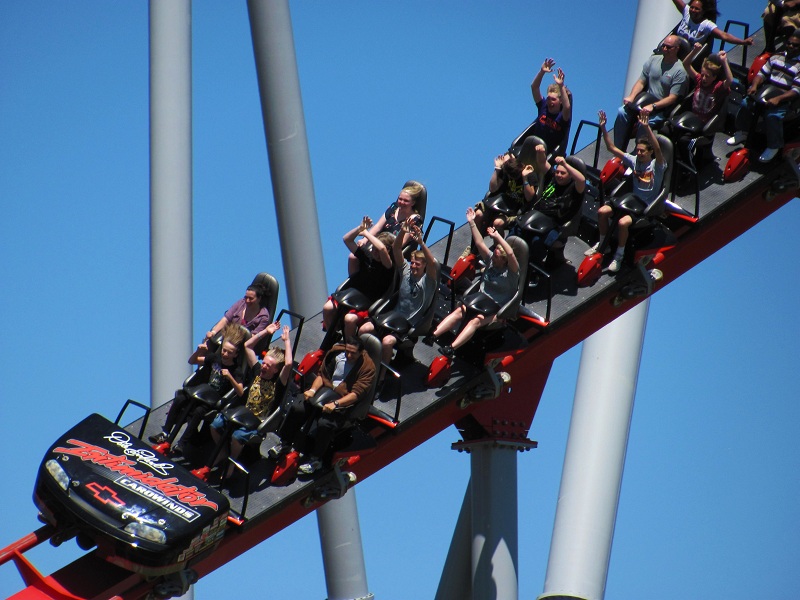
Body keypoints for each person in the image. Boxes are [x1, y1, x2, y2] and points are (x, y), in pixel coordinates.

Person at [277, 337, 376, 475]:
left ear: (361, 353)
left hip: (343, 401)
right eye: (348, 351)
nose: (349, 355)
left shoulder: (367, 368)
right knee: (298, 407)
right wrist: (312, 390)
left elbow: (355, 395)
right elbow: (322, 376)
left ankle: (316, 459)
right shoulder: (337, 354)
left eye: (353, 353)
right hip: (325, 391)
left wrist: (335, 404)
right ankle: (285, 443)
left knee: (325, 424)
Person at [207, 323, 293, 477]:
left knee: (237, 436)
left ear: (276, 369)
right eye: (264, 362)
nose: (264, 366)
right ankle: (222, 453)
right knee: (215, 424)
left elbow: (288, 364)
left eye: (269, 365)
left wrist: (286, 341)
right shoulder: (257, 371)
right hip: (241, 413)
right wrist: (266, 331)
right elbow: (248, 346)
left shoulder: (278, 383)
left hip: (256, 421)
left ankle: (231, 463)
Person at [149, 323, 247, 454]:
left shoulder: (236, 370)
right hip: (200, 392)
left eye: (229, 352)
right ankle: (165, 433)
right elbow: (192, 361)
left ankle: (182, 444)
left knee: (198, 412)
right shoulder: (215, 358)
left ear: (236, 354)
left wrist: (230, 377)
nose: (225, 354)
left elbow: (240, 391)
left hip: (212, 401)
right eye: (224, 350)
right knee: (180, 398)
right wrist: (199, 351)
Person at [589, 109, 667, 273]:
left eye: (642, 151)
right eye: (637, 150)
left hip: (643, 207)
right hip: (629, 201)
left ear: (650, 152)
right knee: (602, 211)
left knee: (623, 223)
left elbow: (659, 149)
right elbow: (611, 148)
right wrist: (603, 128)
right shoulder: (634, 161)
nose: (638, 153)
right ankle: (603, 244)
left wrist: (646, 128)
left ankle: (619, 255)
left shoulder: (657, 166)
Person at [435, 208, 520, 358]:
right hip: (480, 301)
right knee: (459, 311)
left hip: (497, 310)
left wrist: (498, 237)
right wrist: (472, 223)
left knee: (476, 321)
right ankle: (433, 335)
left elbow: (512, 253)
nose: (492, 257)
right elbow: (479, 242)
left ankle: (451, 348)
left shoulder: (512, 272)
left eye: (496, 257)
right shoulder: (490, 261)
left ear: (504, 260)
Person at [358, 220, 438, 368]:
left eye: (417, 264)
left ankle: (380, 376)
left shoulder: (428, 282)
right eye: (412, 263)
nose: (413, 266)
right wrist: (403, 231)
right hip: (392, 316)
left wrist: (421, 242)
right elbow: (396, 249)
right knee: (364, 329)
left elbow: (432, 263)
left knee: (387, 342)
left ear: (424, 266)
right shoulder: (406, 271)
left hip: (408, 323)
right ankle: (361, 362)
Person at [726, 29, 800, 162]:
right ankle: (743, 132)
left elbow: (796, 90)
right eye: (789, 43)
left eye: (795, 45)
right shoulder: (776, 57)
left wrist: (778, 99)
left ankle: (774, 145)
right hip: (766, 92)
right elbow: (762, 74)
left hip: (783, 100)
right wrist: (754, 86)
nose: (791, 47)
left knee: (772, 116)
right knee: (745, 104)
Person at [613, 35, 689, 149]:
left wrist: (653, 106)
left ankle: (639, 155)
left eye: (668, 47)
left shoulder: (679, 71)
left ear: (676, 49)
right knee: (621, 112)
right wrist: (631, 96)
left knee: (643, 124)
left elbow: (673, 97)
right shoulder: (654, 60)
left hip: (660, 109)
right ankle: (618, 150)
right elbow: (641, 82)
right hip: (644, 101)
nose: (664, 49)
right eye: (663, 46)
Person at [322, 216, 395, 334]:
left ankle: (351, 347)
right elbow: (347, 239)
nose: (375, 252)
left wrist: (366, 233)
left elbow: (381, 248)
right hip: (353, 293)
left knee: (349, 319)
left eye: (377, 250)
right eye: (374, 249)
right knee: (327, 308)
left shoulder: (388, 265)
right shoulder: (368, 256)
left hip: (369, 300)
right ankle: (333, 336)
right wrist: (360, 228)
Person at [471, 153, 536, 244]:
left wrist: (525, 178)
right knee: (478, 215)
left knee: (497, 223)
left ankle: (498, 247)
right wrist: (497, 169)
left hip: (513, 210)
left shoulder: (529, 175)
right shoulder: (506, 170)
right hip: (498, 203)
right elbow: (493, 189)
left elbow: (529, 198)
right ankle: (476, 245)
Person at [530, 58, 573, 157]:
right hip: (532, 148)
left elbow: (567, 107)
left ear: (560, 100)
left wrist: (561, 85)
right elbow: (534, 88)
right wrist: (542, 72)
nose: (549, 102)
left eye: (553, 99)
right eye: (548, 99)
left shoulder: (563, 117)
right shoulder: (543, 106)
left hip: (547, 155)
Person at [668, 0, 754, 49]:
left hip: (688, 57)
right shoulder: (686, 11)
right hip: (671, 50)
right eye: (692, 7)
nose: (693, 10)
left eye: (697, 9)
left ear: (703, 11)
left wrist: (743, 42)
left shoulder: (706, 25)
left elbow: (724, 35)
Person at [681, 44, 733, 124]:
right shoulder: (699, 80)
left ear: (714, 77)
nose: (703, 78)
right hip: (691, 119)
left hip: (704, 124)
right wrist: (695, 51)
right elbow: (686, 64)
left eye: (707, 76)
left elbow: (729, 80)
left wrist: (724, 61)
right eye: (702, 75)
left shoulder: (718, 87)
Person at [205, 285, 271, 341]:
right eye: (246, 297)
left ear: (259, 298)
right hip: (228, 335)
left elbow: (253, 338)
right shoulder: (241, 303)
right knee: (209, 340)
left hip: (241, 344)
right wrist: (213, 332)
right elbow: (226, 319)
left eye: (251, 298)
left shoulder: (263, 317)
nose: (247, 301)